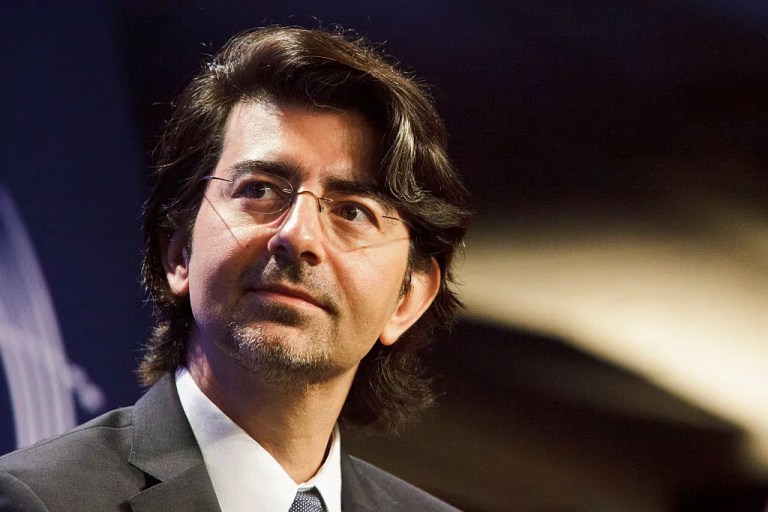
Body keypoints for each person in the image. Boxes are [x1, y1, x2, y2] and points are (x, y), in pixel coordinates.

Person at [0, 26, 470, 511]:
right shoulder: (36, 501)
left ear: (407, 299)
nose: (298, 235)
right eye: (259, 190)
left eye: (352, 212)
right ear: (178, 253)